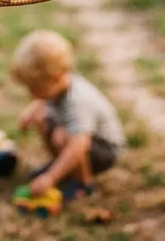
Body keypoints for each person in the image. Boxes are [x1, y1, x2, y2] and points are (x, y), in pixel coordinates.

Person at [11, 29, 125, 198]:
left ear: (56, 78)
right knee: (42, 117)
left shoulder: (78, 101)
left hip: (104, 150)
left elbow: (79, 146)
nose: (32, 94)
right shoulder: (56, 88)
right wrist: (33, 109)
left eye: (36, 88)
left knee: (61, 136)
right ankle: (61, 167)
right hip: (78, 139)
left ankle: (84, 184)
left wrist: (50, 179)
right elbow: (43, 103)